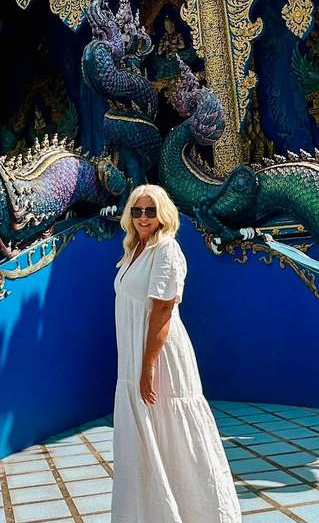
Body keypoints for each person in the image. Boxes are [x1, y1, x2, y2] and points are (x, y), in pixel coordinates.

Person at [111, 184, 242, 523]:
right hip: (132, 358)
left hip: (160, 358)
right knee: (146, 438)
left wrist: (147, 366)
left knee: (173, 436)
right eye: (137, 211)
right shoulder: (132, 250)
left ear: (163, 214)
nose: (143, 217)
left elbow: (163, 311)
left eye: (150, 211)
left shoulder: (166, 250)